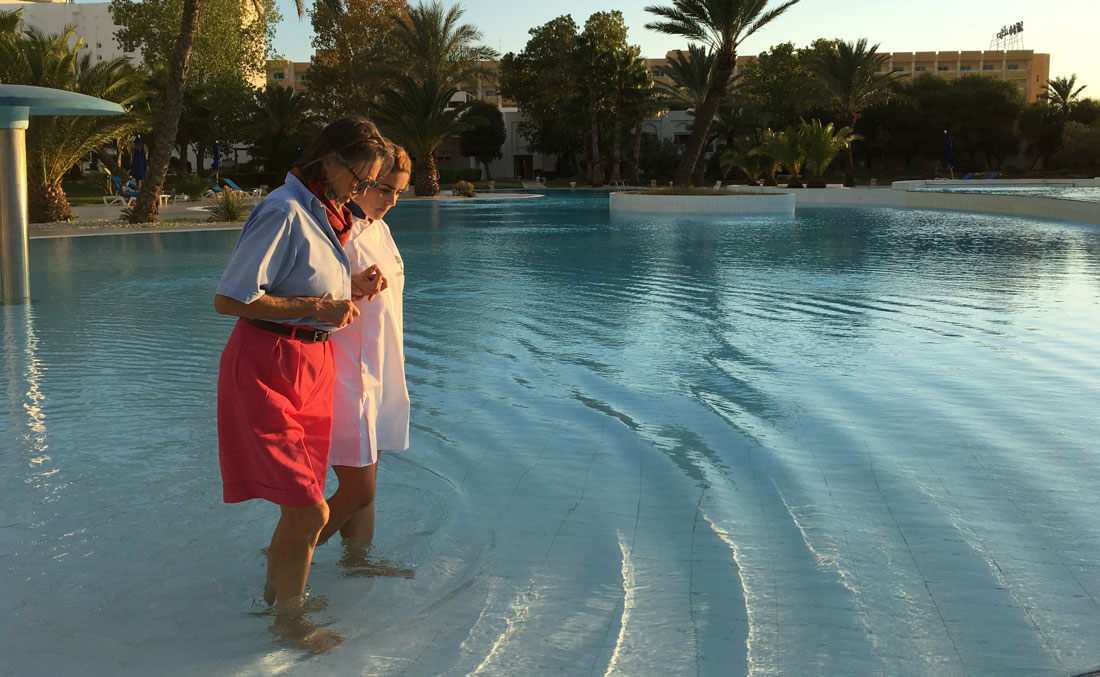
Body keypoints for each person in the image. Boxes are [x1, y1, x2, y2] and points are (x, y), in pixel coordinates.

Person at [213, 116, 392, 651]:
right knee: (309, 506)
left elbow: (306, 287)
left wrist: (351, 290)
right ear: (331, 161)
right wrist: (319, 306)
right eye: (360, 180)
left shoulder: (325, 214)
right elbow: (230, 298)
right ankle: (289, 622)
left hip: (311, 367)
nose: (361, 193)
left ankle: (278, 595)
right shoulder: (284, 211)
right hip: (268, 366)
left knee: (304, 498)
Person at [317, 143, 412, 568]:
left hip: (379, 370)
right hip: (345, 376)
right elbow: (309, 294)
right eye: (385, 189)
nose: (392, 200)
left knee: (368, 478)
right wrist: (352, 286)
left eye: (399, 192)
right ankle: (284, 555)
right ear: (361, 182)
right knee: (360, 489)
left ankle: (357, 562)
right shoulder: (337, 233)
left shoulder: (379, 229)